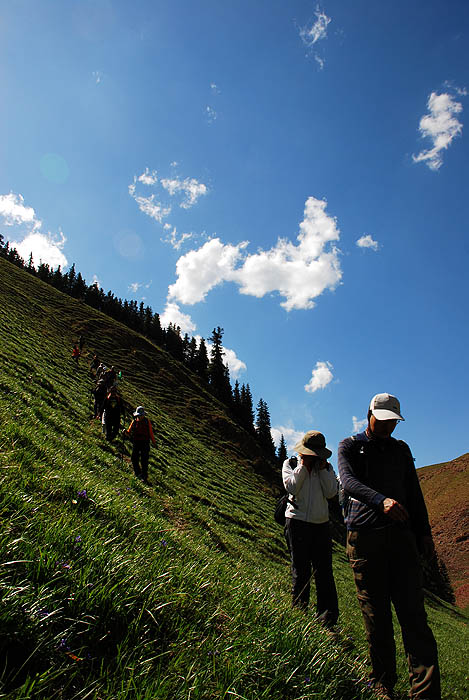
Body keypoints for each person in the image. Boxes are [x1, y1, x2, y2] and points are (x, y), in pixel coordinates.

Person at [338, 393, 440, 700]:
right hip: (365, 540)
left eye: (392, 422)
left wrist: (424, 533)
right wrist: (380, 501)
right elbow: (348, 481)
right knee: (376, 616)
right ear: (368, 414)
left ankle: (425, 693)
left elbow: (414, 492)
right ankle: (382, 684)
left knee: (414, 618)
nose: (387, 427)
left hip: (401, 540)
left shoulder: (401, 450)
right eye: (381, 421)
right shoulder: (350, 446)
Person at [282, 430, 339, 628]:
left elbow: (333, 492)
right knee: (301, 570)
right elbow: (292, 487)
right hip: (296, 523)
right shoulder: (290, 465)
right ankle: (299, 613)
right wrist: (303, 467)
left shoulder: (327, 469)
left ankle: (327, 620)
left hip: (320, 525)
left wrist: (322, 469)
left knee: (324, 572)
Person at [124, 406, 156, 483]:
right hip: (136, 442)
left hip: (145, 443)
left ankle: (144, 476)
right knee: (134, 458)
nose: (141, 416)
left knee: (144, 460)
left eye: (141, 415)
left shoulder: (147, 422)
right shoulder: (134, 422)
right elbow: (129, 432)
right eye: (139, 415)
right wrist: (125, 432)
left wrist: (154, 442)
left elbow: (150, 433)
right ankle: (138, 473)